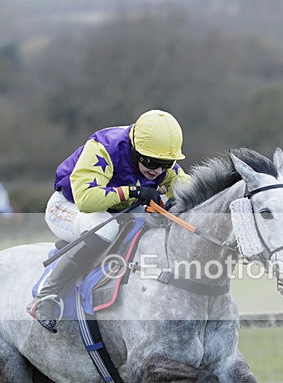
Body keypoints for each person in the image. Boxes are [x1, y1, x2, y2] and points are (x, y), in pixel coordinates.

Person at [28, 109, 191, 333]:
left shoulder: (159, 159)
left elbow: (190, 191)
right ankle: (47, 297)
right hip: (68, 207)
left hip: (111, 213)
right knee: (106, 229)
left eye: (167, 163)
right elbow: (86, 199)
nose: (158, 171)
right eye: (152, 163)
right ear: (135, 151)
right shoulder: (104, 147)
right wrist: (133, 191)